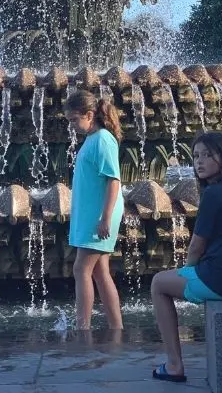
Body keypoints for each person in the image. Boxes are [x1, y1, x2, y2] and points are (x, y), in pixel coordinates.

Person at [150, 132, 222, 383]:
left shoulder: (213, 194)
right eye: (196, 156)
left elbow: (195, 249)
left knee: (159, 283)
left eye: (207, 155)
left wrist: (187, 272)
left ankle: (175, 364)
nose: (199, 162)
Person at [65, 90, 124, 331]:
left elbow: (113, 181)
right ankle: (116, 327)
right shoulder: (93, 139)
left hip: (99, 216)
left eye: (73, 120)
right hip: (93, 214)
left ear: (89, 114)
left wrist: (105, 218)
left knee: (81, 269)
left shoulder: (102, 139)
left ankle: (83, 328)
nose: (71, 126)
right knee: (100, 272)